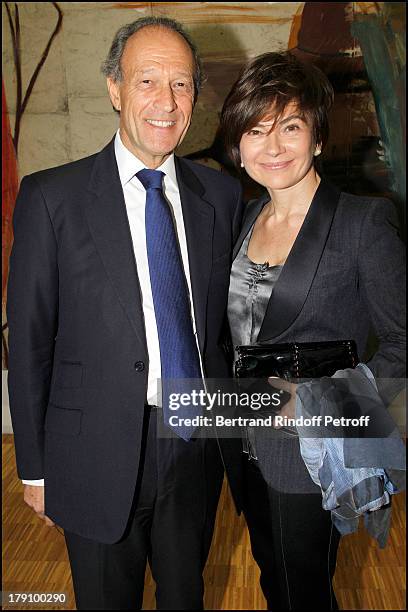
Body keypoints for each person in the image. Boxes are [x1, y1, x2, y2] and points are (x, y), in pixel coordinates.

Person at [6, 17, 243, 610]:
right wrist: (33, 469)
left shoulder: (220, 196)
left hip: (193, 445)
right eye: (147, 81)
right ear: (114, 89)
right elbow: (31, 344)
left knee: (187, 595)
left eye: (182, 84)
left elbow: (224, 329)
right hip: (92, 454)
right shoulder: (50, 198)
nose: (166, 101)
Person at [220, 52, 405, 610]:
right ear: (238, 145)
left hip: (313, 454)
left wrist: (328, 404)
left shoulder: (361, 223)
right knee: (273, 581)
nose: (272, 147)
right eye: (256, 130)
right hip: (241, 443)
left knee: (303, 589)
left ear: (318, 138)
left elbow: (404, 342)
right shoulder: (242, 218)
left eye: (291, 127)